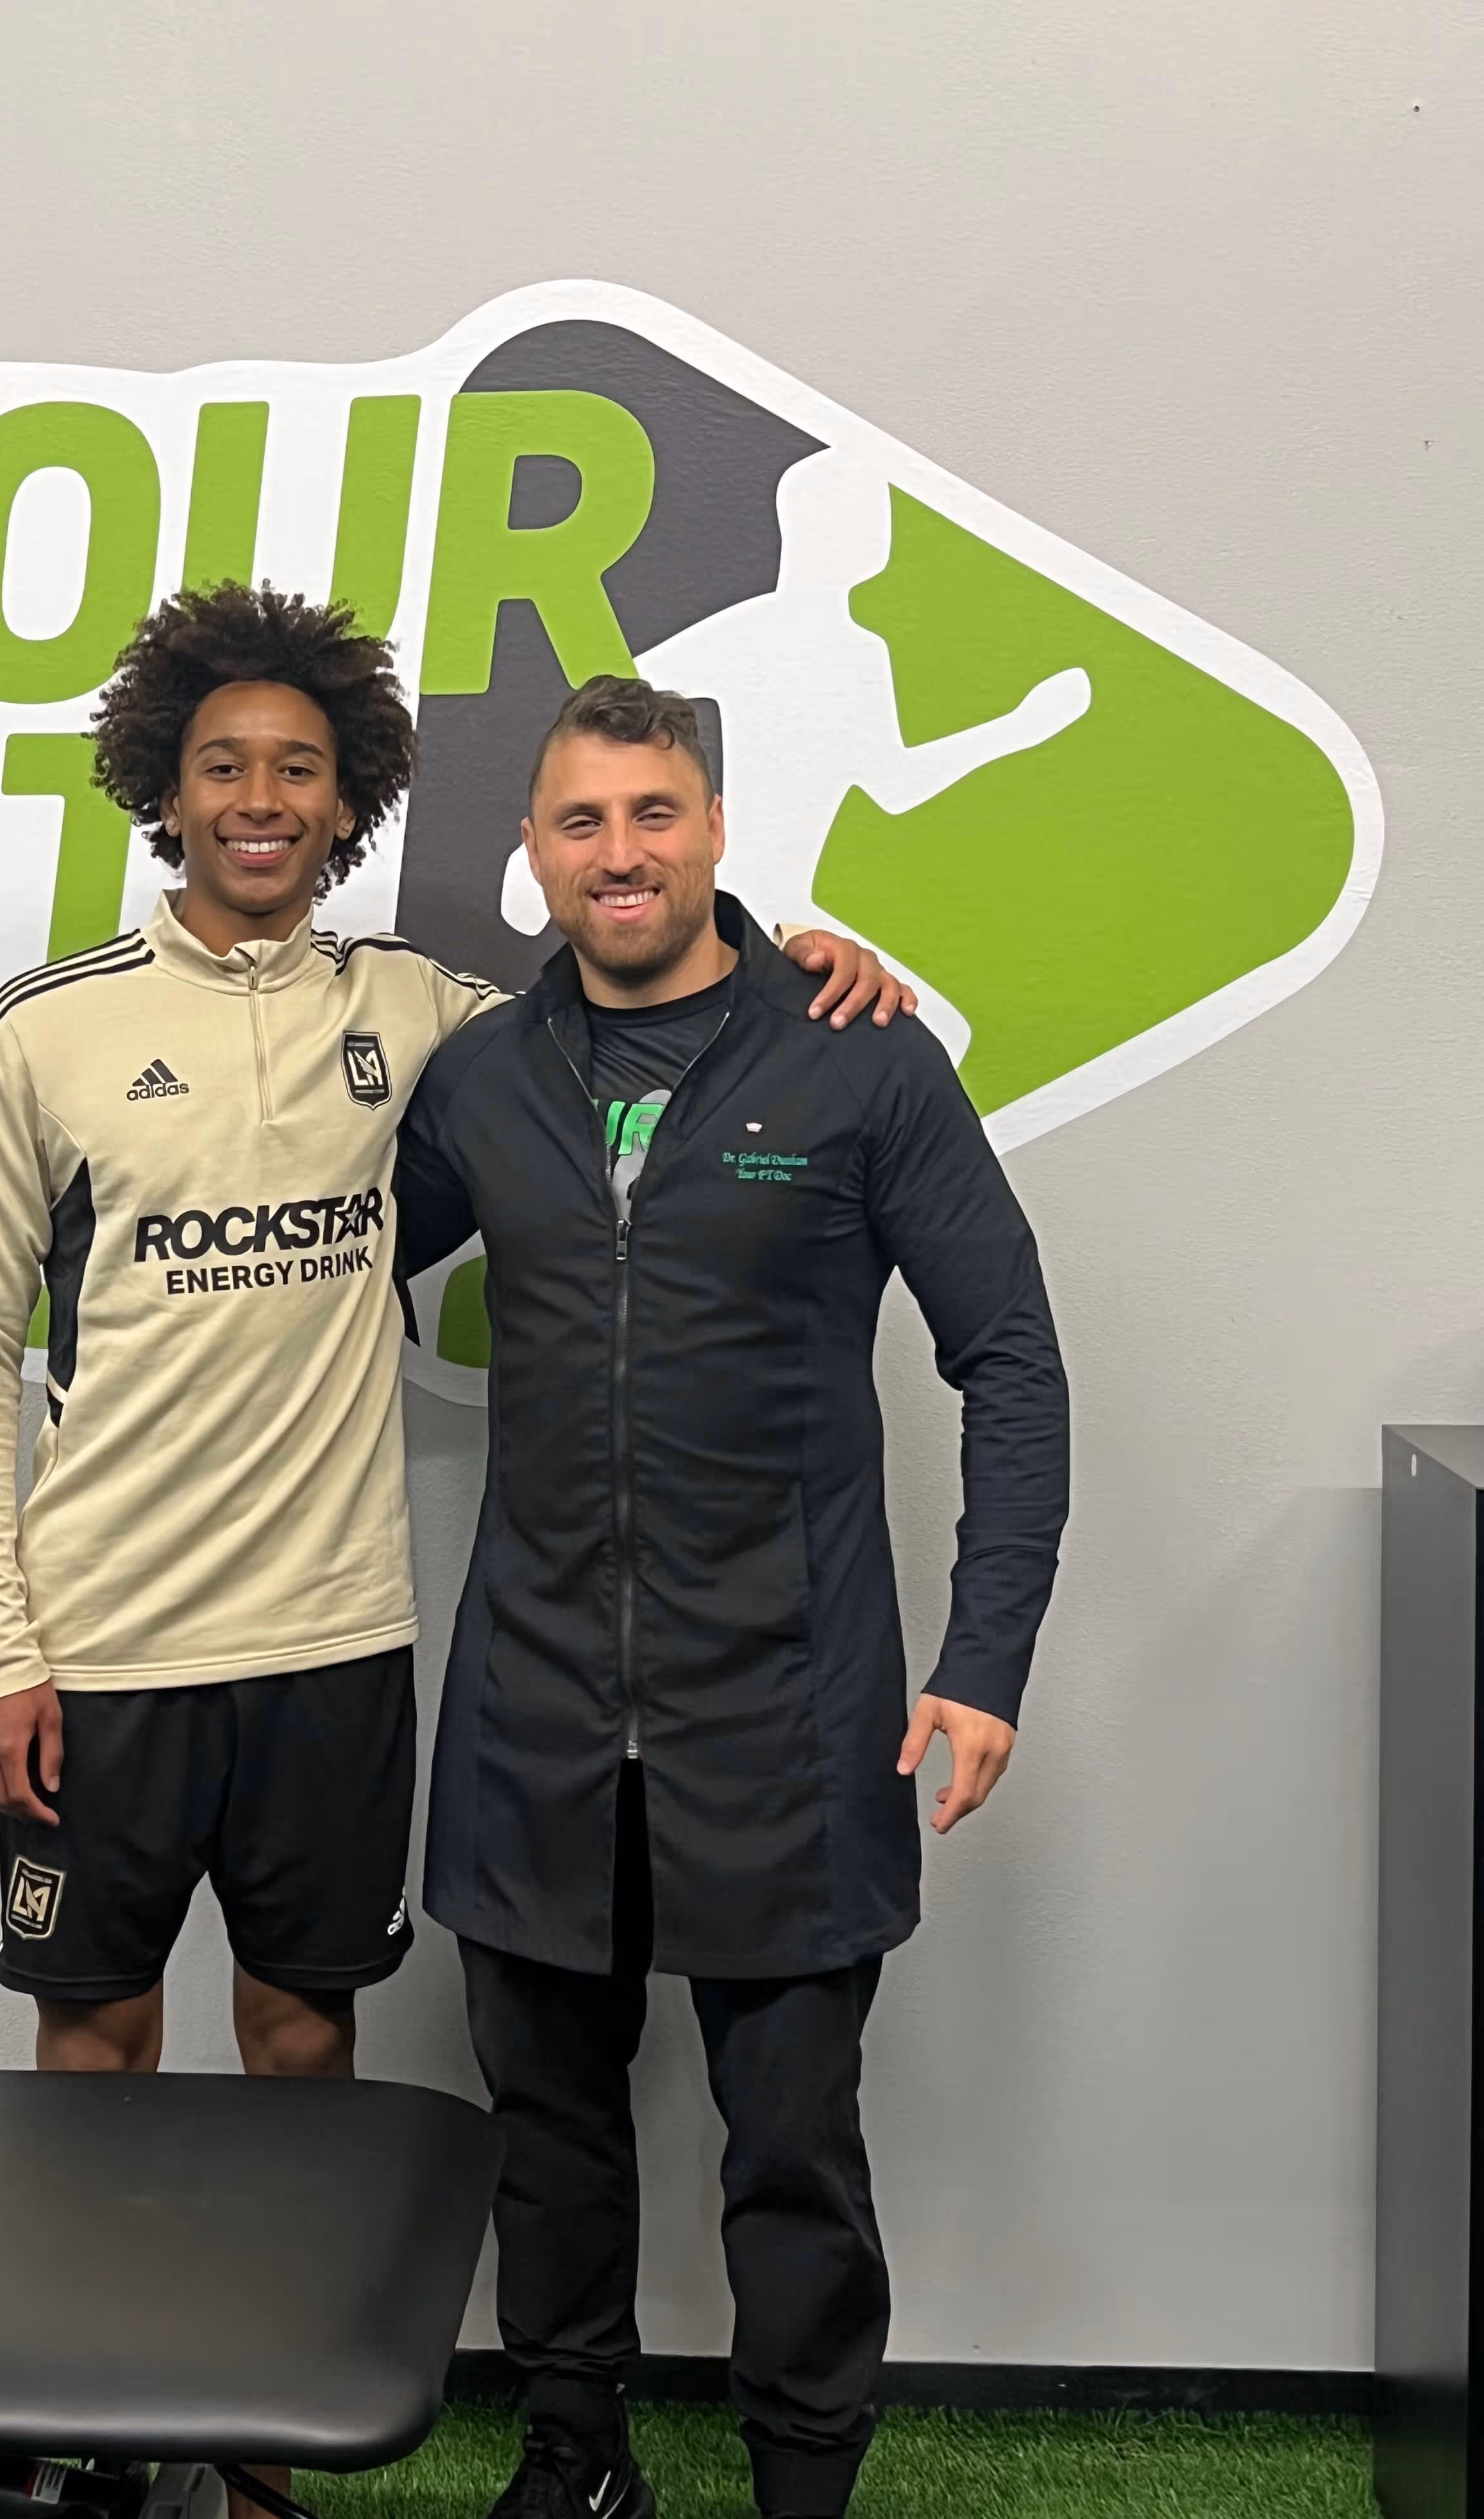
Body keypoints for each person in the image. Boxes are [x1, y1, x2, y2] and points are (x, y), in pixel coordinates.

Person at [0, 583, 903, 2093]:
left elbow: (624, 974)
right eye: (224, 767)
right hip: (104, 1644)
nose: (261, 799)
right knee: (98, 2037)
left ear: (348, 805)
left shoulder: (423, 1012)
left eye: (299, 769)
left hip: (336, 1639)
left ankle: (287, 2278)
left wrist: (793, 955)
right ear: (167, 795)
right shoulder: (43, 1031)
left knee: (305, 2033)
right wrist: (0, 1653)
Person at [392, 676, 1071, 2519]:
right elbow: (309, 1260)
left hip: (785, 1710)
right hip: (538, 1712)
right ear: (534, 855)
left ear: (713, 830)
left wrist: (985, 1658)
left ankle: (803, 2487)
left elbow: (1012, 1361)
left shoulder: (860, 1057)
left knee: (792, 2154)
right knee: (549, 2133)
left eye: (654, 814)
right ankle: (575, 2457)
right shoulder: (482, 1083)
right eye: (583, 821)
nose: (620, 853)